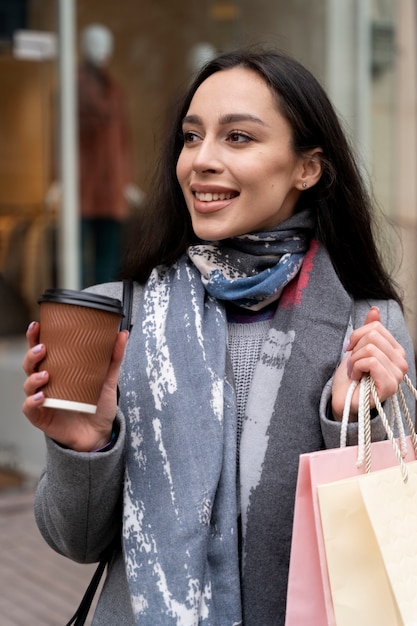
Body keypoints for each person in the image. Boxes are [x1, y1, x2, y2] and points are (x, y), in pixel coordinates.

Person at [22, 47, 415, 625]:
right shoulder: (121, 316)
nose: (200, 161)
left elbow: (385, 550)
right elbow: (75, 541)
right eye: (191, 137)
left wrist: (359, 424)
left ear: (307, 168)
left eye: (238, 138)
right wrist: (84, 448)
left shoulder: (365, 325)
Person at [77, 24, 141, 287]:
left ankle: (103, 303)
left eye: (105, 44)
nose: (101, 51)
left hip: (112, 185)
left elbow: (123, 140)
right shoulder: (73, 88)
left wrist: (126, 181)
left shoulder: (114, 90)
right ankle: (79, 309)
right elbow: (61, 138)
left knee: (109, 254)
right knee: (78, 254)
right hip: (82, 185)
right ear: (82, 46)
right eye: (94, 44)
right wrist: (57, 180)